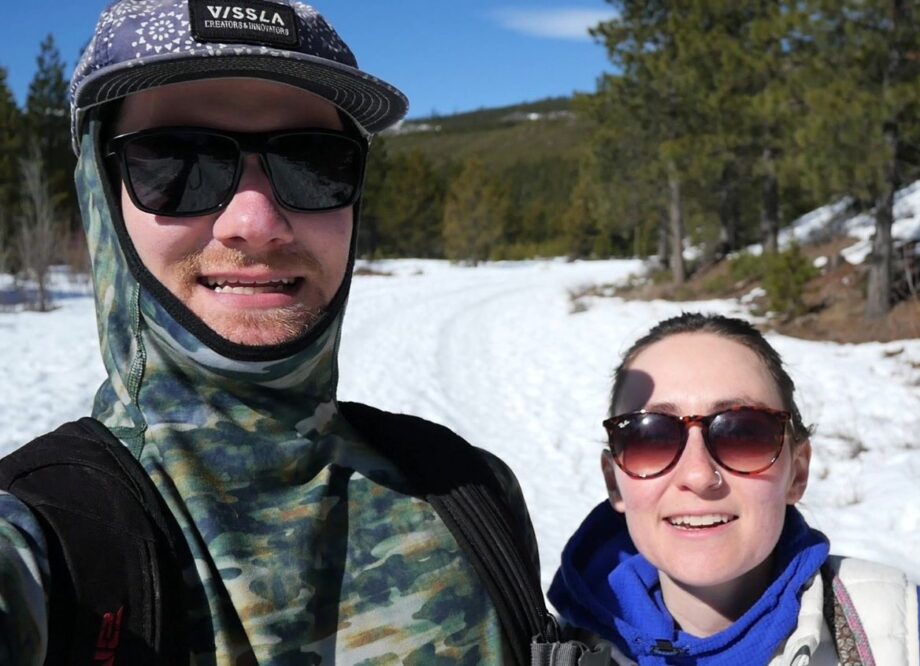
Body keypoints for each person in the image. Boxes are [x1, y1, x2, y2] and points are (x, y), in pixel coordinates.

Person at [0, 0, 542, 662]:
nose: (255, 222)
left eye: (313, 163)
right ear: (100, 195)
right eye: (177, 161)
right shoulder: (47, 537)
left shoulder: (471, 492)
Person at [547, 312, 920, 665]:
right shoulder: (546, 653)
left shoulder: (909, 636)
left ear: (797, 472)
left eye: (744, 433)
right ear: (614, 480)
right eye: (650, 438)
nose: (698, 476)